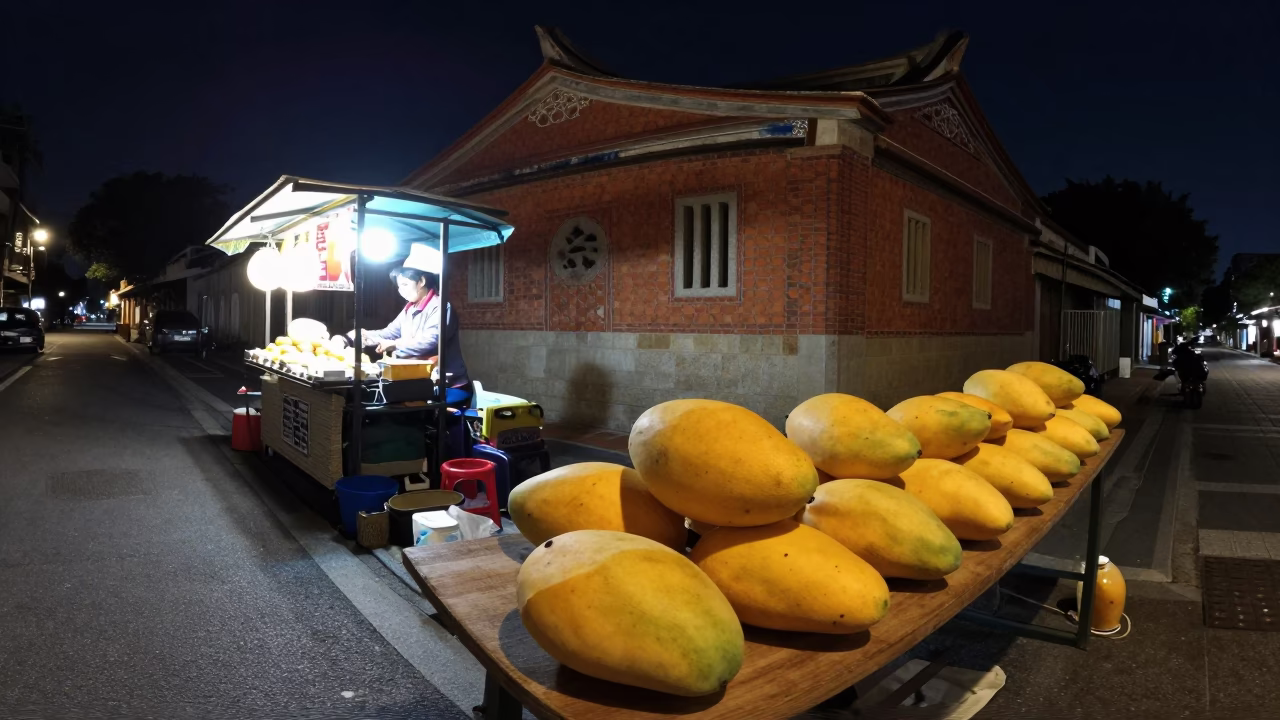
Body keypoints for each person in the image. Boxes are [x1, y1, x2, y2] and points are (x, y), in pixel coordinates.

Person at [334, 242, 471, 404]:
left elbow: (430, 342)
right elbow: (388, 333)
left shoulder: (441, 307)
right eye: (399, 287)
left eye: (405, 284)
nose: (401, 291)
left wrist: (394, 345)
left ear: (421, 281)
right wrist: (356, 336)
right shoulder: (409, 309)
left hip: (449, 387)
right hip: (420, 383)